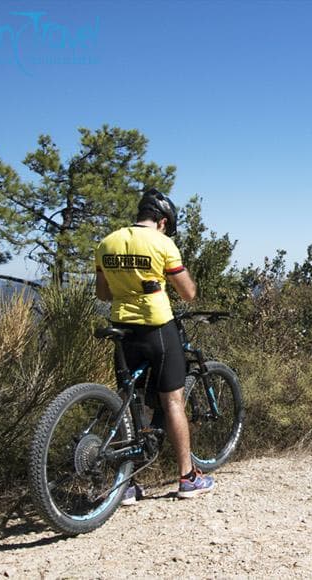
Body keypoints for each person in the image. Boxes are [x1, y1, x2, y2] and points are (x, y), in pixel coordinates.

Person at [94, 188, 215, 503]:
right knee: (172, 401)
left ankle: (127, 484)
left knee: (129, 401)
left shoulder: (106, 243)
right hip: (156, 327)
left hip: (122, 327)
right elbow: (188, 293)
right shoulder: (164, 244)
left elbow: (103, 294)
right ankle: (188, 477)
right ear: (162, 221)